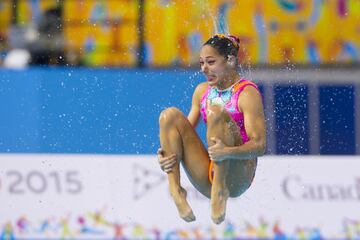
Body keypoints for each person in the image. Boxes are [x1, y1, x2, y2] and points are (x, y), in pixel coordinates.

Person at [157, 34, 266, 224]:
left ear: (230, 60)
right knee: (169, 116)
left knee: (215, 112)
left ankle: (220, 189)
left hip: (238, 174)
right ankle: (176, 190)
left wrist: (227, 152)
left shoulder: (247, 93)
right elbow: (181, 134)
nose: (204, 69)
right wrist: (167, 156)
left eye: (210, 62)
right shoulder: (202, 91)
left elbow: (259, 146)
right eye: (201, 63)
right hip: (209, 172)